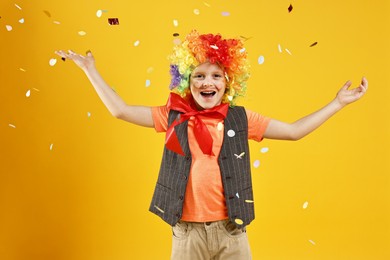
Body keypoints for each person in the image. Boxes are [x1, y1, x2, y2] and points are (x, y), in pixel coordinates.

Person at [55, 30, 368, 260]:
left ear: (228, 83)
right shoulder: (174, 116)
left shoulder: (241, 118)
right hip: (187, 234)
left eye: (216, 75)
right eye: (199, 76)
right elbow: (120, 110)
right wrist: (89, 69)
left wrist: (337, 104)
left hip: (232, 231)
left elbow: (294, 131)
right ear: (186, 81)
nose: (208, 83)